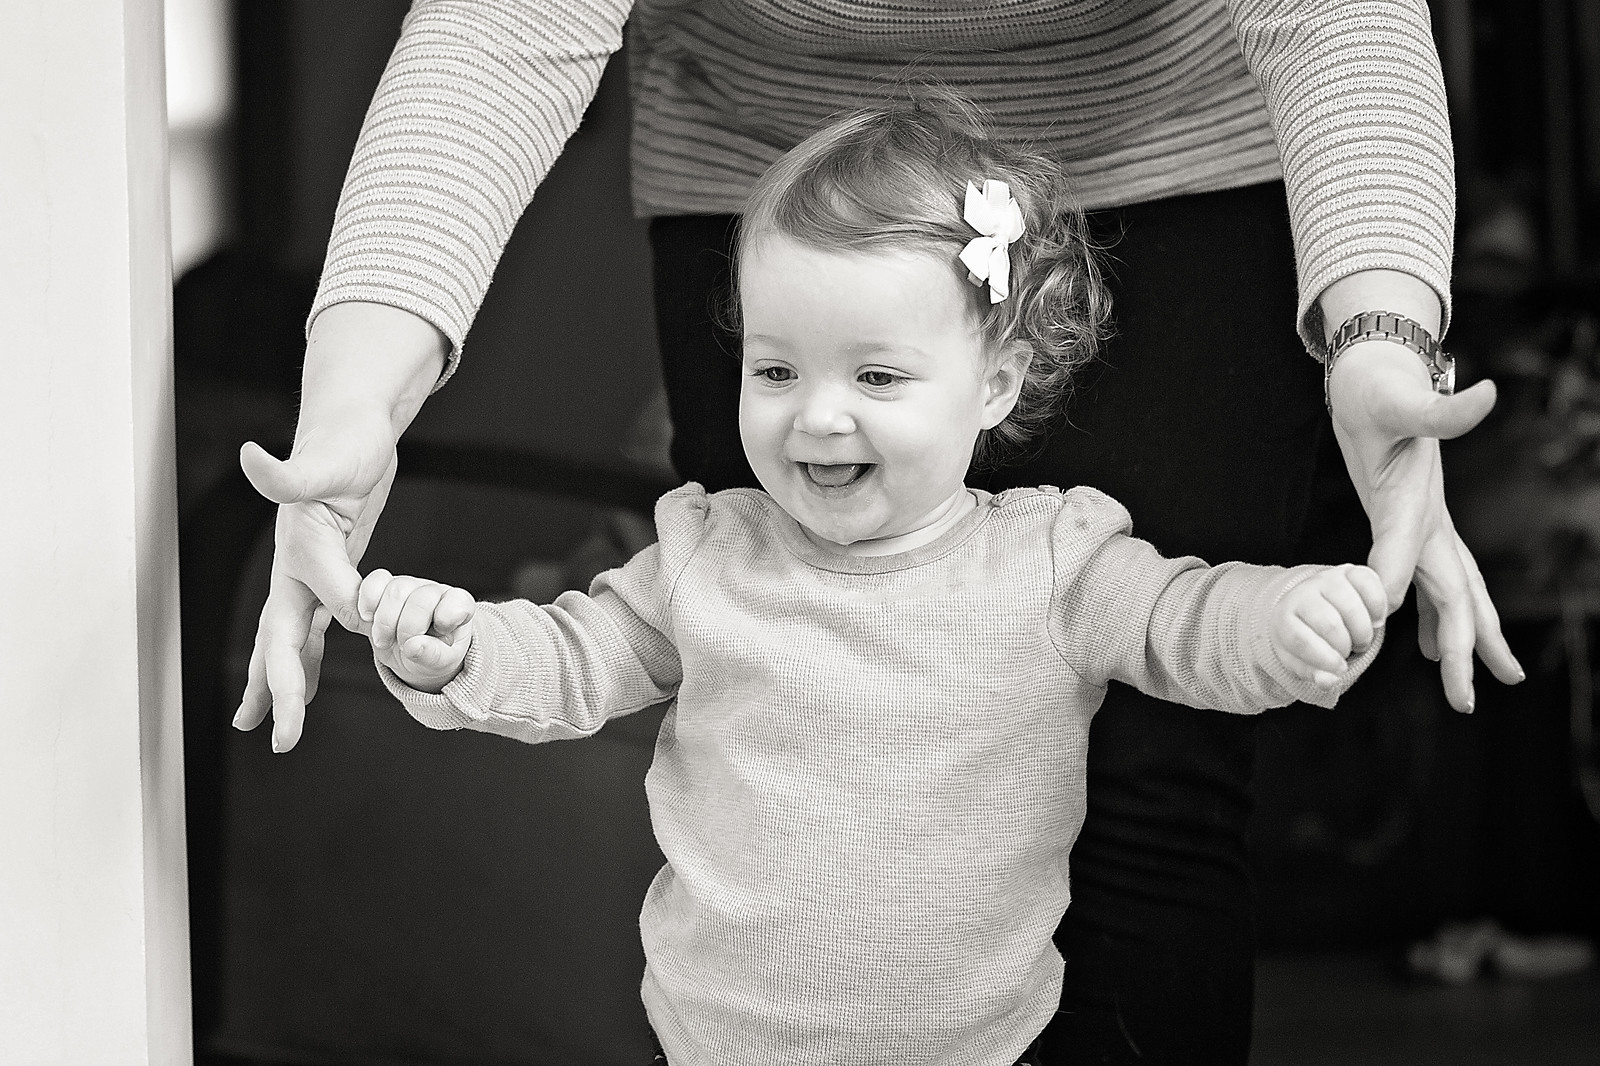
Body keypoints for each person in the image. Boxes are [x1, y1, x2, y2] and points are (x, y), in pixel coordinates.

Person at [232, 2, 1526, 1061]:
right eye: (776, 372)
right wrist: (447, 645)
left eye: (878, 381)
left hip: (983, 1038)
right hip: (724, 1040)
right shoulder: (703, 552)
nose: (816, 420)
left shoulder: (1060, 555)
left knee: (1163, 806)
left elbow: (1186, 619)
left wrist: (1302, 614)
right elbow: (574, 658)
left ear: (1001, 387)